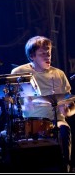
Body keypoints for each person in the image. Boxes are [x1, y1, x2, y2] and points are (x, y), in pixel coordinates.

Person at [11, 36, 75, 172]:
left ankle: (66, 169)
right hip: (28, 121)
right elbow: (10, 100)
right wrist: (20, 105)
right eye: (43, 54)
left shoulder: (59, 74)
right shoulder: (19, 73)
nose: (47, 56)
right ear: (32, 56)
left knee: (64, 130)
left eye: (49, 53)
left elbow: (69, 103)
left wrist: (68, 110)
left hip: (55, 120)